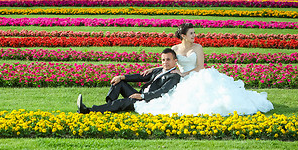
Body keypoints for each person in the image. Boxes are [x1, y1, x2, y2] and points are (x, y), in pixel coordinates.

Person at [135, 23, 274, 116]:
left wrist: (183, 73)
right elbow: (169, 64)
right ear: (183, 36)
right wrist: (154, 68)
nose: (194, 36)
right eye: (191, 33)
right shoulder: (174, 49)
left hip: (196, 75)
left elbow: (200, 67)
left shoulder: (198, 47)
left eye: (194, 33)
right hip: (180, 76)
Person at [77, 48, 181, 114]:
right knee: (119, 82)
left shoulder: (174, 76)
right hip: (140, 95)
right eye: (163, 60)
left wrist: (142, 96)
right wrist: (122, 77)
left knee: (123, 102)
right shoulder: (158, 70)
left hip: (148, 101)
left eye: (168, 59)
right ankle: (110, 106)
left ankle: (88, 110)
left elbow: (162, 91)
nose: (165, 62)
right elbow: (140, 77)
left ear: (175, 61)